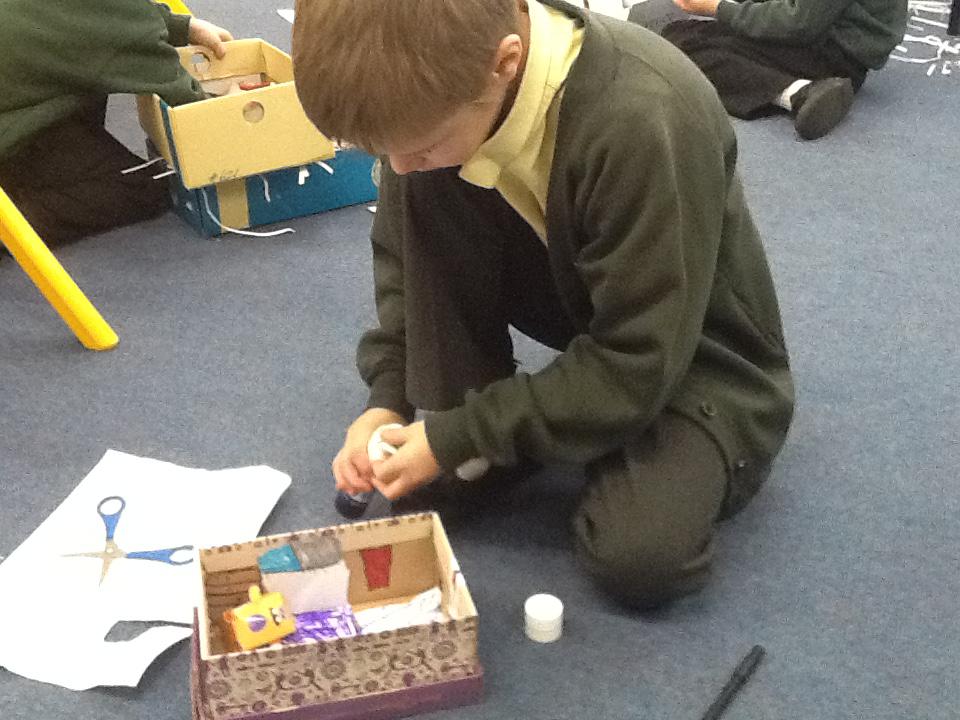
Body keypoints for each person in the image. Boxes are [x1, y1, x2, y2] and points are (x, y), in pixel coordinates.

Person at [293, 0, 795, 609]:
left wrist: (462, 434)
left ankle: (558, 424)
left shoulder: (642, 117)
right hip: (585, 299)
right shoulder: (445, 94)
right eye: (383, 153)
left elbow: (638, 359)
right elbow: (409, 263)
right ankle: (532, 418)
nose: (399, 167)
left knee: (641, 558)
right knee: (430, 182)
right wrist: (389, 399)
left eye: (419, 145)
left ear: (504, 63)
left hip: (698, 357)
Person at [0, 0, 232, 248]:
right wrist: (229, 110)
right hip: (14, 135)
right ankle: (10, 225)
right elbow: (180, 93)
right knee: (142, 188)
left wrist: (182, 27)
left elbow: (117, 16)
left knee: (80, 73)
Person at [647, 0, 908, 140]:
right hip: (832, 41)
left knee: (685, 47)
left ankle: (798, 93)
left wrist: (717, 8)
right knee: (680, 35)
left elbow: (798, 24)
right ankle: (802, 89)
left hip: (834, 54)